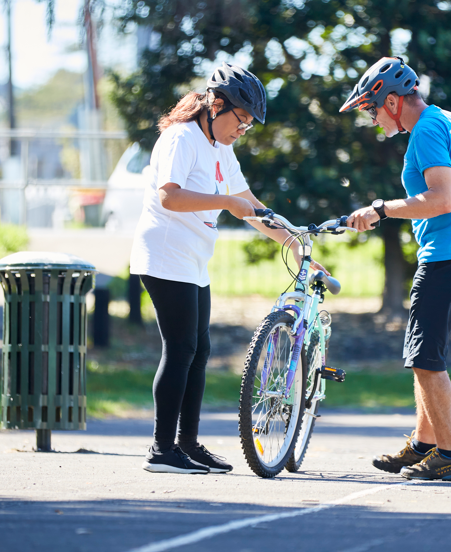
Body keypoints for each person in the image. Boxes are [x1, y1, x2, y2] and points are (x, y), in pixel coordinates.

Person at [131, 63, 327, 474]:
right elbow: (170, 197)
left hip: (193, 260)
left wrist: (293, 243)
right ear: (216, 105)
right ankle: (161, 450)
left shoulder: (221, 147)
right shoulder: (180, 138)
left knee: (198, 351)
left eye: (249, 125)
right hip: (165, 254)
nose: (243, 130)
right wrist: (224, 203)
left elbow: (250, 205)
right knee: (181, 349)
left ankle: (186, 445)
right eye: (241, 120)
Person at [340, 56, 451, 481]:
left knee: (426, 358)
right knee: (425, 356)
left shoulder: (426, 131)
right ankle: (424, 444)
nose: (373, 120)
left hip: (448, 257)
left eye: (372, 110)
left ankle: (449, 455)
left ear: (393, 101)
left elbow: (441, 199)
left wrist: (380, 209)